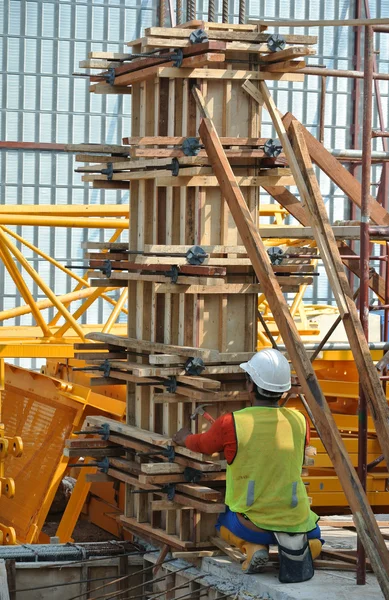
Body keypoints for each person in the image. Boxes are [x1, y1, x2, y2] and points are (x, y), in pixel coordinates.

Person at [173, 348, 322, 582]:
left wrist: (184, 438)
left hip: (251, 524)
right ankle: (310, 548)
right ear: (284, 389)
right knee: (315, 534)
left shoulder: (231, 423)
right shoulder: (300, 420)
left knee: (222, 523)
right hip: (296, 521)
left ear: (250, 386)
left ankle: (253, 549)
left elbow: (203, 444)